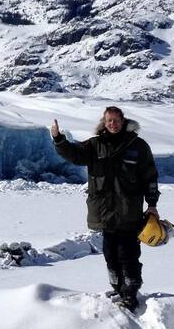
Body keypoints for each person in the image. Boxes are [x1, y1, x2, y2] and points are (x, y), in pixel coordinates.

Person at [50, 107, 160, 311]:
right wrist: (59, 139)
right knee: (110, 252)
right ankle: (118, 288)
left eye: (116, 120)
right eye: (109, 120)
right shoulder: (95, 144)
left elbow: (150, 176)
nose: (113, 124)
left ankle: (131, 293)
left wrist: (152, 204)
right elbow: (74, 155)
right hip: (104, 211)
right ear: (104, 121)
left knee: (128, 253)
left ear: (123, 121)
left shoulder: (138, 146)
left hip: (129, 210)